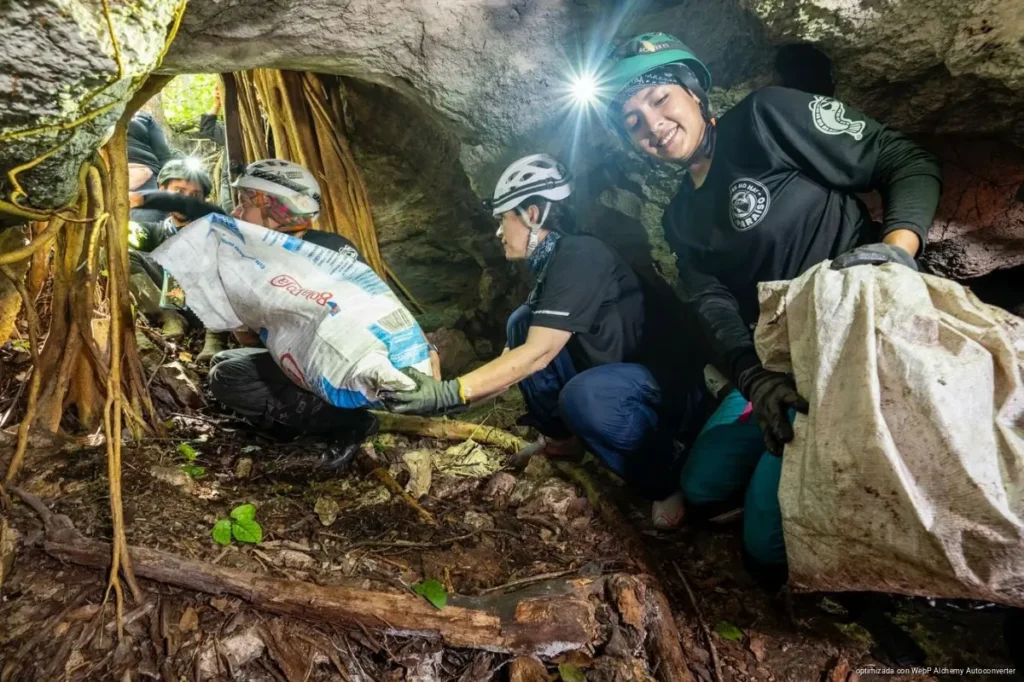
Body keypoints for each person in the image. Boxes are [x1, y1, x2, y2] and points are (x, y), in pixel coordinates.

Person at [601, 32, 942, 576]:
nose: (652, 124)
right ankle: (782, 434)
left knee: (765, 546)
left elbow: (903, 158)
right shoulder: (679, 219)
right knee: (701, 482)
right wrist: (755, 379)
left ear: (694, 92)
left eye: (659, 98)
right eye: (632, 121)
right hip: (787, 357)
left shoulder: (764, 119)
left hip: (857, 325)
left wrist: (895, 254)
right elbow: (712, 303)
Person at [382, 154, 706, 529]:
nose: (498, 233)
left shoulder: (580, 255)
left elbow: (539, 354)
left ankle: (666, 477)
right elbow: (515, 356)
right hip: (615, 375)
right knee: (522, 322)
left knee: (584, 396)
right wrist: (447, 400)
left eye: (503, 219)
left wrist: (449, 393)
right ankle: (563, 441)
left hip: (662, 386)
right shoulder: (552, 265)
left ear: (532, 214)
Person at [206, 159, 428, 467]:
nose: (236, 212)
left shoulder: (326, 250)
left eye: (245, 202)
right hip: (312, 367)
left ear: (275, 206)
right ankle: (312, 422)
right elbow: (248, 338)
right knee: (223, 361)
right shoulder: (282, 254)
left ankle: (344, 423)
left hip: (351, 370)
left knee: (227, 375)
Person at [127, 159, 228, 361]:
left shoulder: (214, 220)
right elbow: (124, 233)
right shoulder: (156, 231)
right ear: (161, 189)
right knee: (120, 254)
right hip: (173, 302)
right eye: (178, 192)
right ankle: (169, 317)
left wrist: (141, 198)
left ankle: (215, 336)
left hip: (206, 307)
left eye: (195, 195)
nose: (185, 201)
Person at [127, 111, 176, 191]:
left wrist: (168, 181)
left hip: (145, 169)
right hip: (105, 171)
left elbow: (163, 155)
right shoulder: (101, 113)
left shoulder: (144, 117)